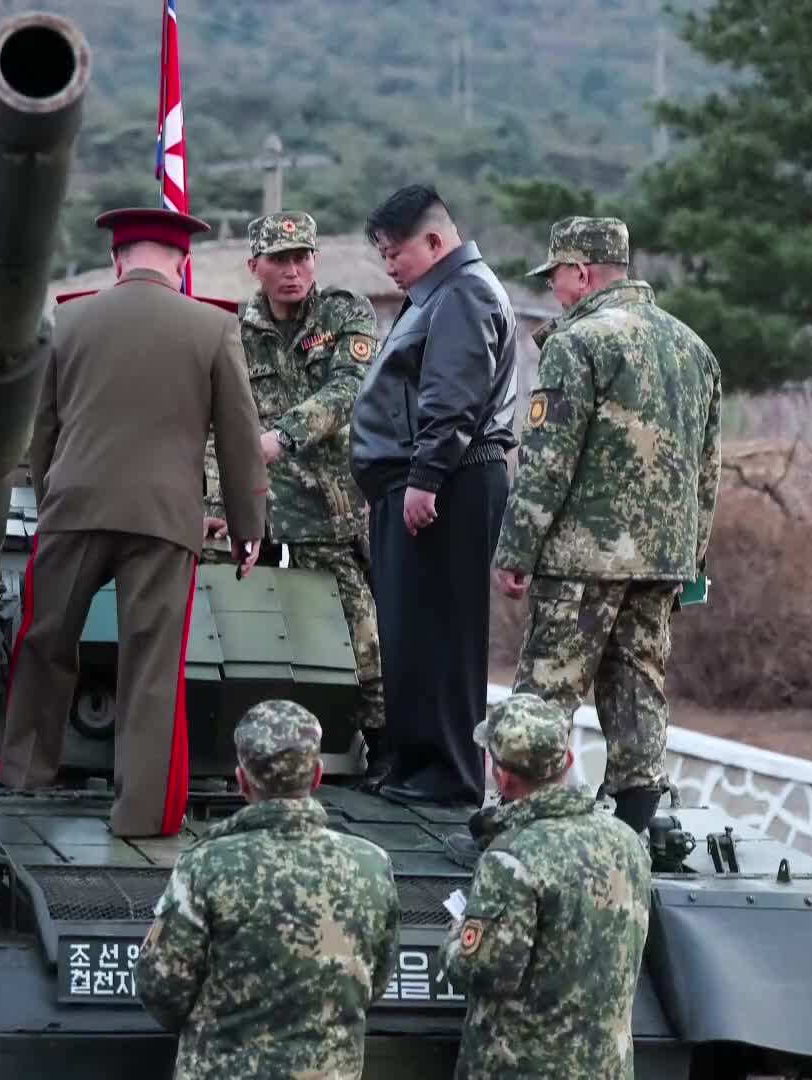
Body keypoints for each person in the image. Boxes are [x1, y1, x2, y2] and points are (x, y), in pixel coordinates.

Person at [0, 206, 269, 839]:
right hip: (164, 519)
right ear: (180, 265)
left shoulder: (69, 319)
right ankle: (141, 813)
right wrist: (245, 521)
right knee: (150, 666)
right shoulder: (212, 326)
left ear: (118, 260)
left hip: (73, 508)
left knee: (44, 643)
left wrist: (52, 496)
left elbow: (43, 428)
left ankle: (23, 776)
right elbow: (239, 435)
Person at [492, 216, 722, 836]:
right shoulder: (692, 348)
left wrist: (517, 548)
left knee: (548, 687)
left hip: (582, 558)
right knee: (639, 685)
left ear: (581, 273)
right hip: (663, 561)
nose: (556, 290)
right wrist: (691, 560)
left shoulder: (577, 343)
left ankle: (520, 820)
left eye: (558, 277)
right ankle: (633, 824)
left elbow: (547, 461)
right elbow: (708, 469)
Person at [202, 210, 389, 774]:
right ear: (254, 265)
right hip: (257, 515)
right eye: (280, 259)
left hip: (331, 512)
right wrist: (217, 503)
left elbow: (346, 390)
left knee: (362, 640)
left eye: (303, 256)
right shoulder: (233, 331)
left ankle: (380, 749)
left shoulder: (344, 313)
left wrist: (282, 436)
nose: (293, 269)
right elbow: (217, 426)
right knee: (246, 635)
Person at [350, 183, 519, 805]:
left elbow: (452, 398)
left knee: (441, 634)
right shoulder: (435, 294)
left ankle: (447, 775)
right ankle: (417, 766)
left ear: (434, 239)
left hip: (450, 481)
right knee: (410, 630)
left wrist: (423, 480)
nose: (389, 265)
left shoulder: (464, 291)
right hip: (419, 482)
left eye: (395, 252)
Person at [134, 699, 400, 1079]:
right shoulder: (372, 864)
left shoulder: (205, 865)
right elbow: (374, 981)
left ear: (241, 781)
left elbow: (161, 989)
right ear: (318, 776)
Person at [441, 692, 649, 1080]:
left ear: (501, 776)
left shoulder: (511, 859)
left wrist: (456, 937)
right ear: (568, 760)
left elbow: (484, 973)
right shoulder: (628, 842)